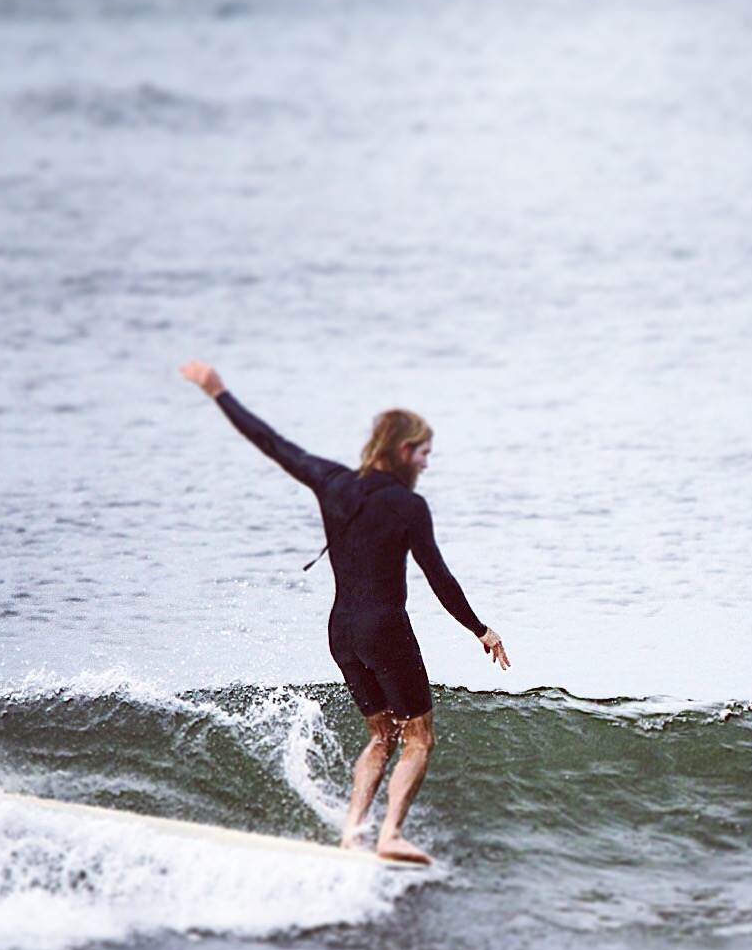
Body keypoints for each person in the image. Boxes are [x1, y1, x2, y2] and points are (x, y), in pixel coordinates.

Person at [179, 360, 508, 863]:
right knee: (418, 738)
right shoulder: (409, 506)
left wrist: (218, 391)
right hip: (385, 629)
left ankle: (353, 832)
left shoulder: (331, 482)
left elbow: (273, 443)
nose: (425, 464)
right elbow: (439, 578)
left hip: (341, 632)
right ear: (403, 451)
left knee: (382, 735)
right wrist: (480, 629)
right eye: (423, 454)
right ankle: (390, 834)